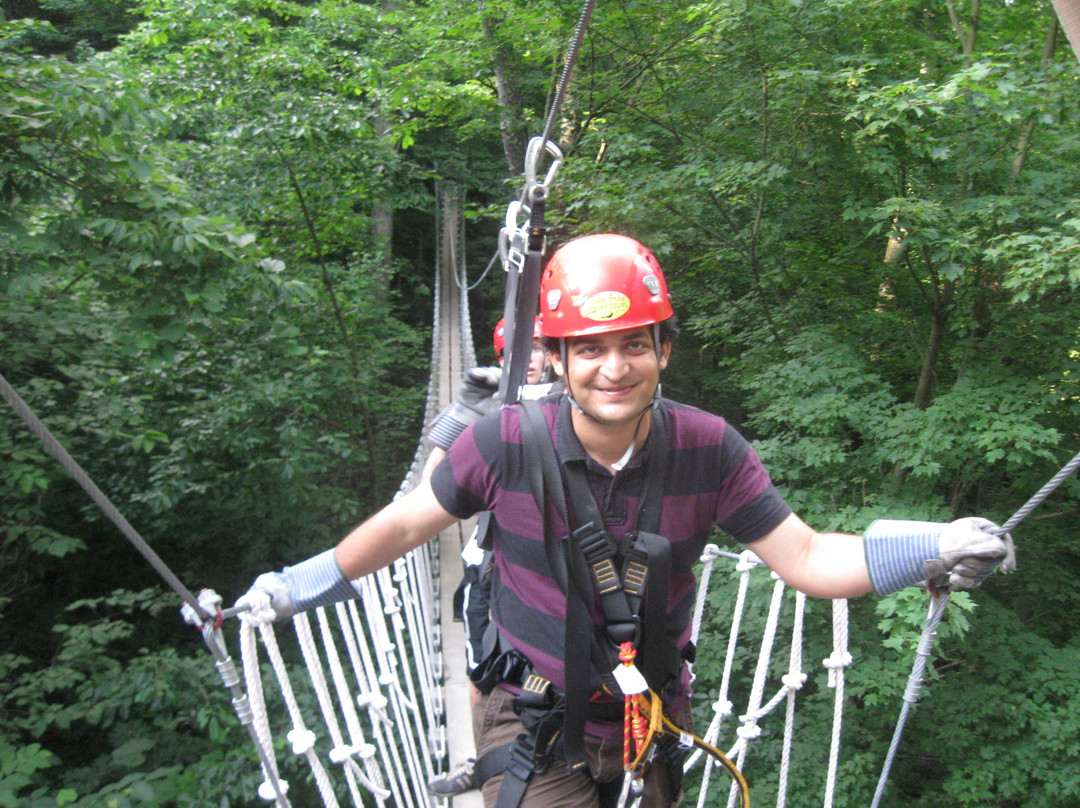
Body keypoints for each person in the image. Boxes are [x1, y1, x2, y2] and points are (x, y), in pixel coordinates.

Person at [239, 233, 1015, 808]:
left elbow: (807, 558)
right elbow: (408, 526)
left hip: (651, 717)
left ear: (664, 349)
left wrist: (932, 548)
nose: (615, 368)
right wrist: (294, 586)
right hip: (535, 714)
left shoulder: (709, 450)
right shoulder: (505, 441)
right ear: (557, 360)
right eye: (591, 349)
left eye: (635, 344)